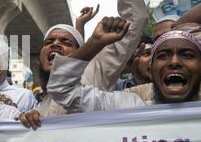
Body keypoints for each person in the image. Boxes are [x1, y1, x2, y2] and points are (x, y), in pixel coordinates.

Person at [19, 0, 148, 129]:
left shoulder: (95, 71)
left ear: (80, 53)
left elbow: (135, 18)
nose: (55, 45)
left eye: (65, 42)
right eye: (49, 42)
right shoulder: (40, 104)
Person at [47, 21, 201, 112]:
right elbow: (62, 89)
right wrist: (95, 42)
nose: (174, 62)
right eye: (163, 56)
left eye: (187, 55)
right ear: (152, 69)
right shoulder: (127, 107)